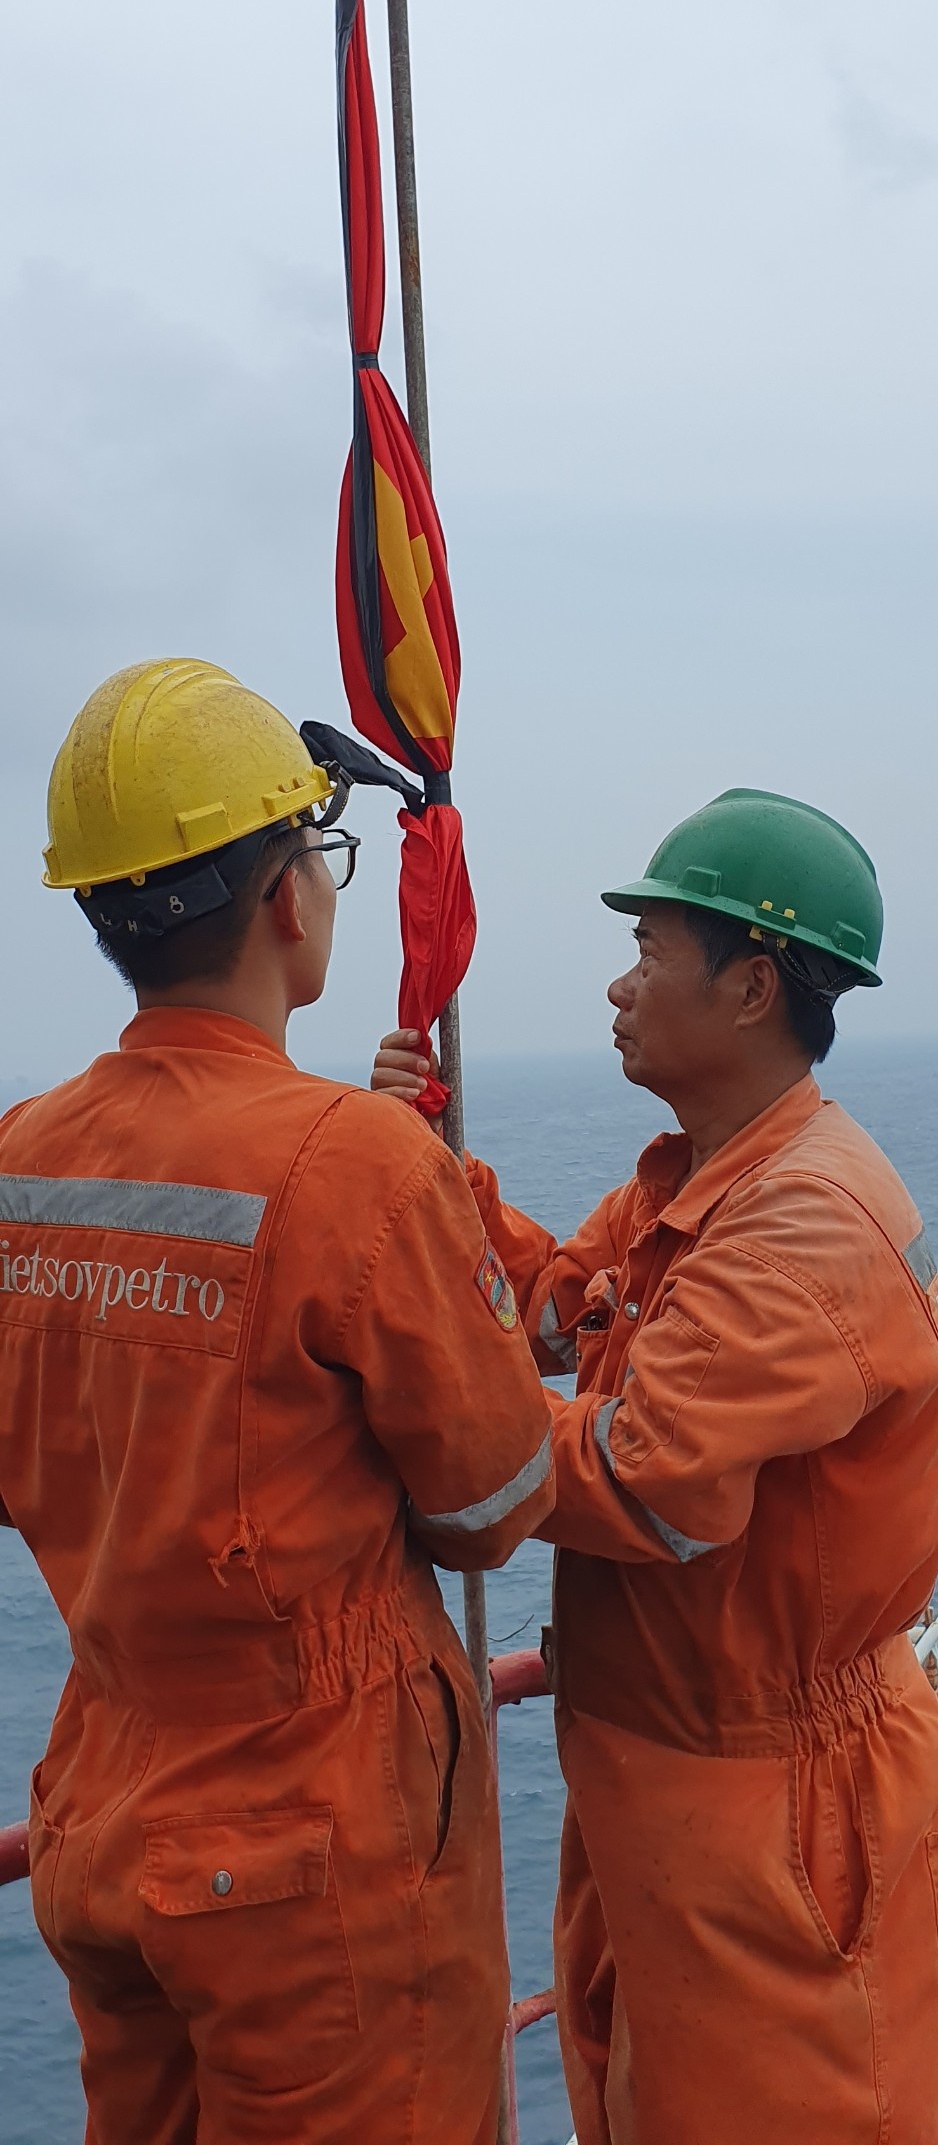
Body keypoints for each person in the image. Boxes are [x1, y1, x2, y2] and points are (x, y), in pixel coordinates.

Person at [0, 657, 555, 2145]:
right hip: (311, 1846)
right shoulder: (357, 1165)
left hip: (100, 1801)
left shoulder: (22, 1157)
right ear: (284, 901)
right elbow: (497, 1505)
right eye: (323, 845)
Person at [376, 786, 938, 2145]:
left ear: (752, 987)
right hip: (661, 1783)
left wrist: (412, 1426)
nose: (619, 985)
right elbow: (546, 1310)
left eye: (648, 953)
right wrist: (423, 1177)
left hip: (780, 1812)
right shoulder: (698, 1182)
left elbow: (647, 1477)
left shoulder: (805, 1220)